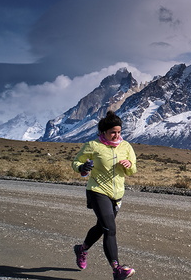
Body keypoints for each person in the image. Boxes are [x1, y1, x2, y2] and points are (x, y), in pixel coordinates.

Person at [72, 110, 137, 280]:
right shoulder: (93, 145)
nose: (116, 135)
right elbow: (76, 162)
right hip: (97, 190)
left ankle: (82, 249)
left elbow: (133, 171)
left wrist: (129, 164)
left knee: (102, 227)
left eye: (119, 132)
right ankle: (117, 269)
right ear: (103, 133)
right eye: (112, 132)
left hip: (117, 194)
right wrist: (82, 168)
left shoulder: (126, 146)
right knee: (110, 229)